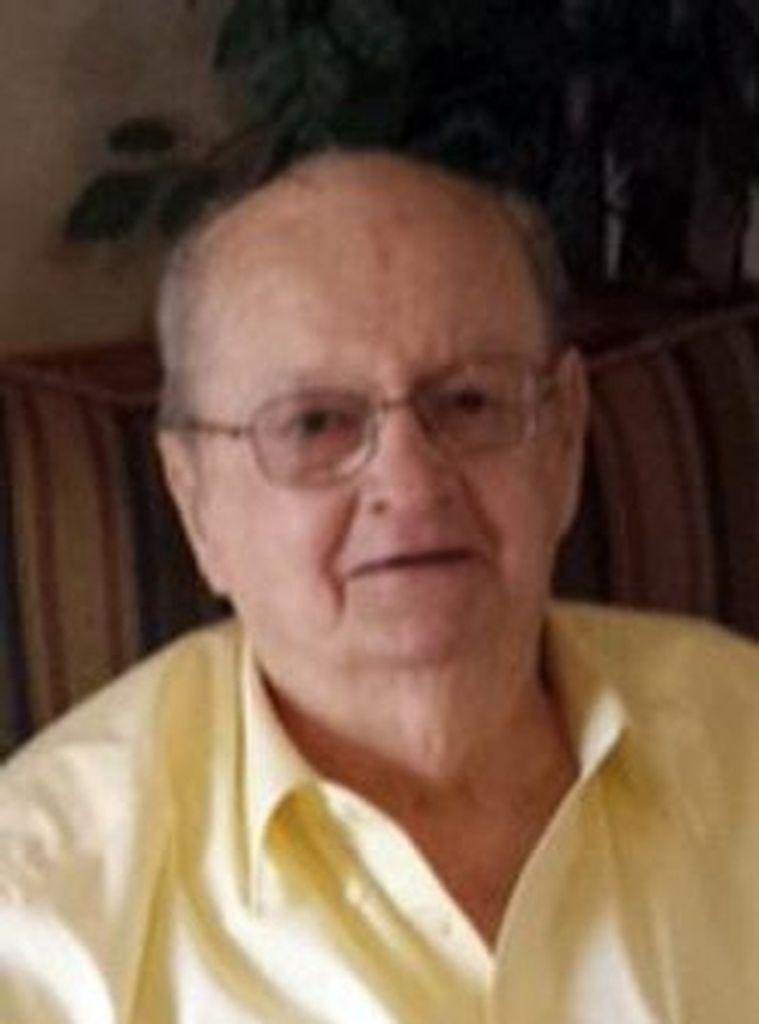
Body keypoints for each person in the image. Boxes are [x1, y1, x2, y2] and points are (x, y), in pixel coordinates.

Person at [2, 150, 759, 1023]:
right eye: (315, 423)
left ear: (562, 441)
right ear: (193, 495)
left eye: (468, 402)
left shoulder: (739, 730)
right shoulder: (38, 915)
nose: (410, 483)